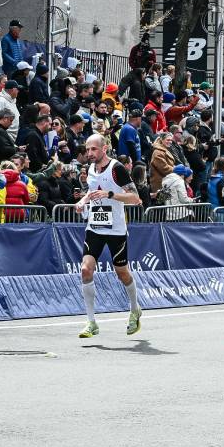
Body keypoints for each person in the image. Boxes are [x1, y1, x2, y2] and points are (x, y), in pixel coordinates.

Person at [73, 134, 143, 338]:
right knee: (85, 269)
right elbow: (92, 190)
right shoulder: (91, 169)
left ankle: (134, 309)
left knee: (122, 273)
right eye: (87, 150)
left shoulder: (116, 169)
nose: (89, 153)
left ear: (104, 149)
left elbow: (135, 198)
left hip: (116, 230)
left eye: (93, 149)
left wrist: (110, 195)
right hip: (94, 227)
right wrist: (83, 201)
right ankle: (91, 322)